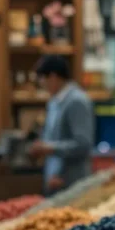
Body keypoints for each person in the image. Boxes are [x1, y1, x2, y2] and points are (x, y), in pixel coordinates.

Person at [27, 55, 93, 193]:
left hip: (72, 184)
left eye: (41, 79)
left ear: (53, 77)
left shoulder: (77, 101)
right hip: (55, 181)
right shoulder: (54, 102)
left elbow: (83, 144)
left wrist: (48, 148)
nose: (41, 84)